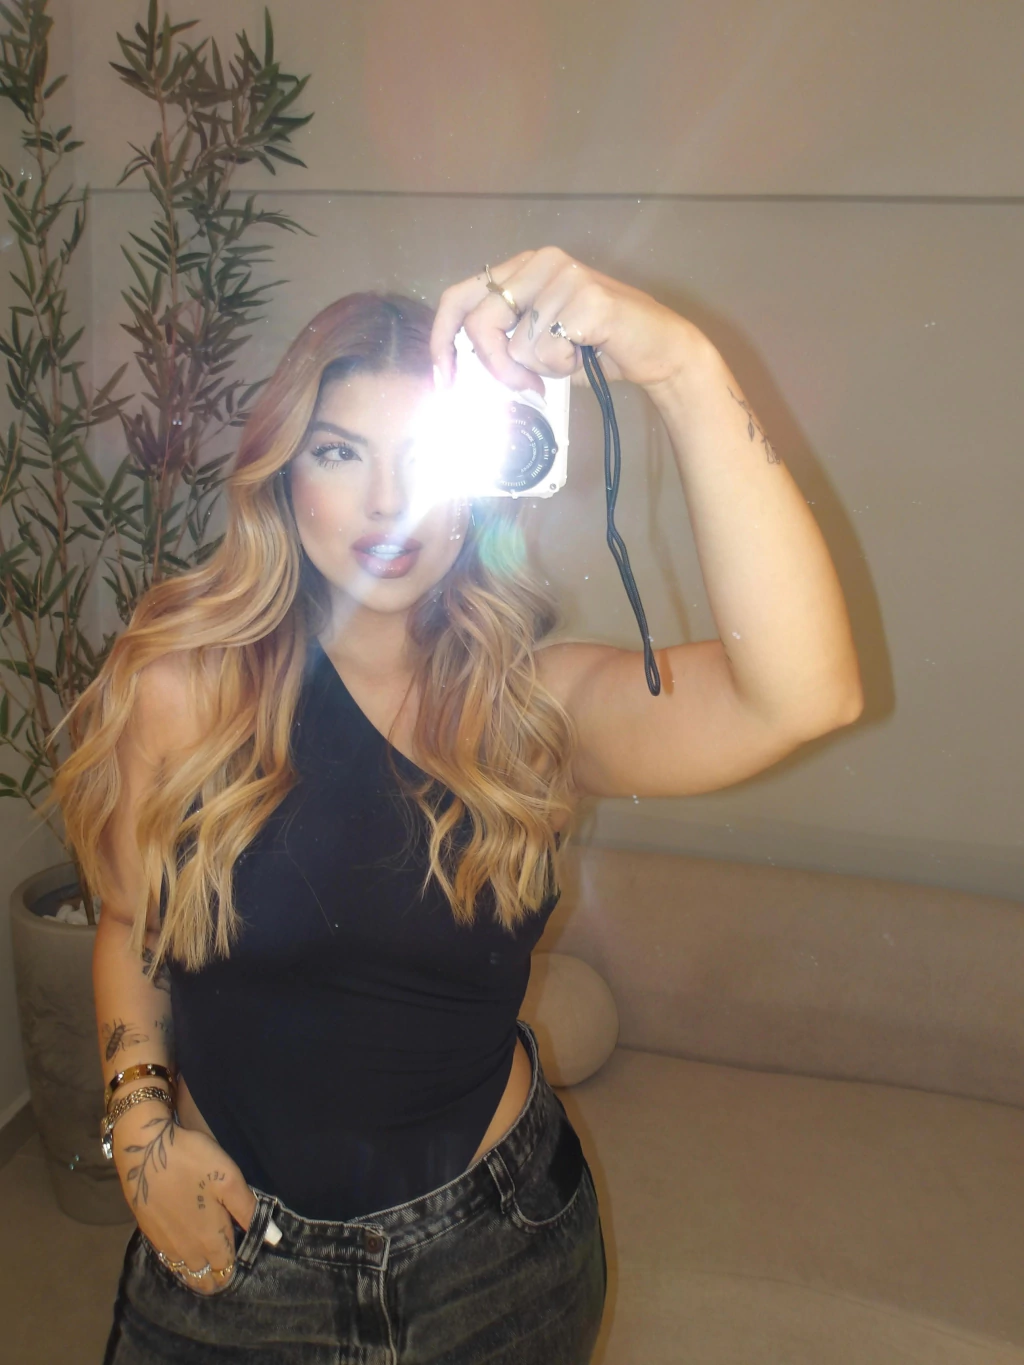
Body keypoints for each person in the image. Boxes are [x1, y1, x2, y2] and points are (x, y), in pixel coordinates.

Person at [54, 246, 863, 1364]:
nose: (388, 502)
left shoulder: (530, 705)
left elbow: (804, 695)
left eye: (423, 458)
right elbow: (130, 926)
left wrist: (676, 362)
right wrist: (141, 1131)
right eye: (341, 452)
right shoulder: (184, 690)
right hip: (235, 1255)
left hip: (497, 1256)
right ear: (283, 472)